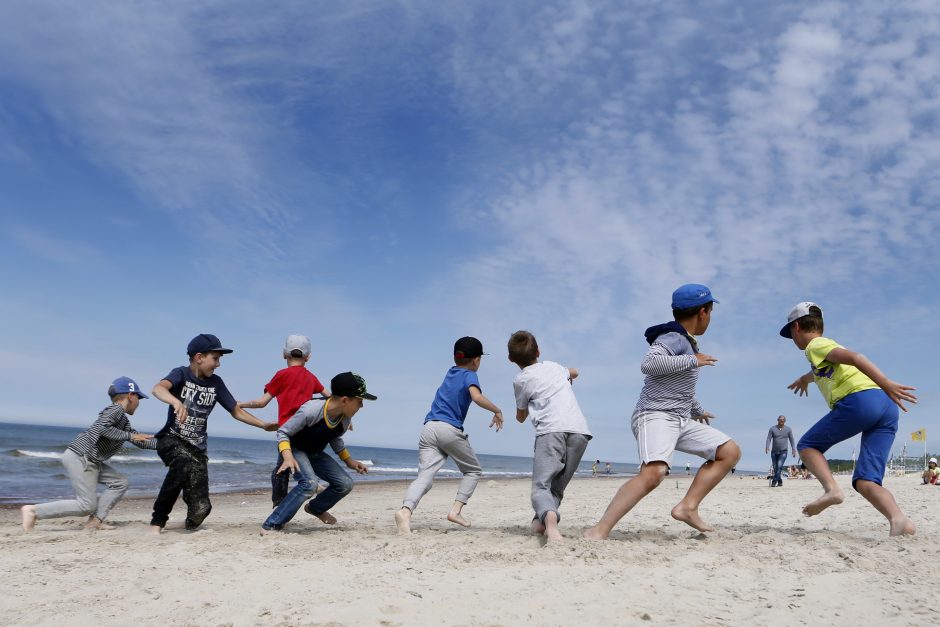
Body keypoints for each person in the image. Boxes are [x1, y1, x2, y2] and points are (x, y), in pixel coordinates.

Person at [584, 284, 741, 539]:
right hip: (655, 414)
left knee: (729, 451)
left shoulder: (687, 343)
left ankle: (687, 507)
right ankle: (599, 530)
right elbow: (650, 364)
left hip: (679, 418)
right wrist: (694, 360)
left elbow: (679, 387)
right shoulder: (673, 337)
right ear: (703, 312)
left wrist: (698, 410)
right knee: (654, 473)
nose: (710, 318)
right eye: (711, 312)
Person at [782, 302, 917, 536]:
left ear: (796, 327)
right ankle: (899, 520)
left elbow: (855, 357)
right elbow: (820, 370)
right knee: (866, 482)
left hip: (861, 401)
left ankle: (832, 490)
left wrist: (885, 381)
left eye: (791, 335)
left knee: (808, 446)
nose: (792, 340)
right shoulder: (823, 352)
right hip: (886, 408)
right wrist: (804, 379)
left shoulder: (815, 345)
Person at [148, 334, 277, 534]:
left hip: (197, 448)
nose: (218, 364)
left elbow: (236, 410)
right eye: (215, 359)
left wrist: (263, 425)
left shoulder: (216, 383)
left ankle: (183, 525)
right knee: (181, 464)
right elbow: (158, 388)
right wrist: (175, 401)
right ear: (199, 357)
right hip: (170, 438)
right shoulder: (181, 374)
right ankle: (157, 522)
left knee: (202, 508)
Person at [394, 337, 504, 533]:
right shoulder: (470, 374)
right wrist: (496, 410)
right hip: (448, 429)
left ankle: (405, 511)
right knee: (473, 471)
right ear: (476, 360)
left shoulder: (450, 372)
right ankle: (455, 511)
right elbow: (476, 397)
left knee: (424, 477)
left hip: (429, 428)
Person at [21, 377, 156, 532]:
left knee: (120, 483)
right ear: (131, 395)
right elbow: (103, 429)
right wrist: (130, 436)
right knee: (86, 505)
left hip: (91, 459)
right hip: (81, 457)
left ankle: (96, 520)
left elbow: (139, 439)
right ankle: (33, 511)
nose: (139, 403)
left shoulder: (122, 419)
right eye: (139, 398)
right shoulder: (115, 410)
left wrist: (166, 444)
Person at [260, 372, 375, 533]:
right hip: (294, 449)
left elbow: (335, 438)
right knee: (309, 484)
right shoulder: (311, 410)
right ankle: (272, 524)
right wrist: (287, 456)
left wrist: (349, 461)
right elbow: (283, 432)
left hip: (314, 452)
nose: (361, 406)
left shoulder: (345, 417)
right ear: (345, 400)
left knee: (345, 484)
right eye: (359, 401)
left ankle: (315, 508)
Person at [507, 330, 592, 541]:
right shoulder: (554, 367)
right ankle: (540, 522)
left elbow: (520, 416)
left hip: (551, 431)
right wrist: (568, 378)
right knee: (556, 487)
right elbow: (575, 371)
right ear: (538, 351)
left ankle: (552, 526)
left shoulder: (521, 380)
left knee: (540, 487)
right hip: (579, 431)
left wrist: (526, 408)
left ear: (511, 359)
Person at [238, 335, 329, 507]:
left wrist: (241, 404)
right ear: (308, 357)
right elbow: (329, 398)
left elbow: (261, 402)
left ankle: (280, 506)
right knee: (287, 466)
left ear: (283, 354)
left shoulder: (281, 375)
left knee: (280, 471)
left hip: (287, 432)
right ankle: (314, 489)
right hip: (306, 430)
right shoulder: (311, 377)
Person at [765, 415, 797, 487]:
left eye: (782, 420)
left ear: (784, 421)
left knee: (779, 465)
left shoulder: (788, 429)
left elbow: (791, 440)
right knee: (775, 467)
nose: (781, 422)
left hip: (783, 451)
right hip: (774, 451)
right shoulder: (772, 429)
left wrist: (793, 449)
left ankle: (774, 481)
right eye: (780, 420)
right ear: (778, 420)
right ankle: (780, 481)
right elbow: (768, 438)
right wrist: (767, 446)